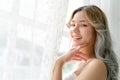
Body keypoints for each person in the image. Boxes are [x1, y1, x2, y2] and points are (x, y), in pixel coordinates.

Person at [52, 5, 119, 80]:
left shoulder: (96, 65)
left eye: (83, 25)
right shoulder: (81, 64)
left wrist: (59, 63)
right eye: (73, 24)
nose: (74, 29)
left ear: (97, 31)